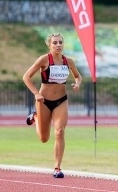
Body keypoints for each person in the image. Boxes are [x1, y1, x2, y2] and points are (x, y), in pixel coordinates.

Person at [22, 32, 82, 178]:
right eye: (54, 43)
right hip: (43, 101)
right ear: (49, 45)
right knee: (44, 138)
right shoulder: (44, 60)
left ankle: (57, 168)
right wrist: (36, 93)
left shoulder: (68, 62)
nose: (58, 45)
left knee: (60, 131)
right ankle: (35, 117)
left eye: (60, 42)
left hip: (61, 100)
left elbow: (78, 76)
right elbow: (26, 77)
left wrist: (77, 84)